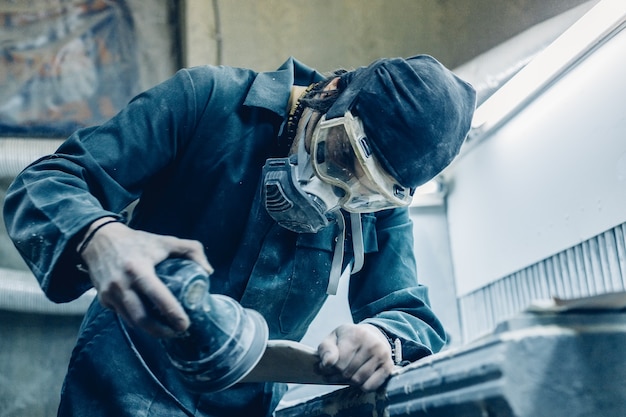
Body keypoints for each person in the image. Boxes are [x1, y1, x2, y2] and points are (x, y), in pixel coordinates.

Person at [3, 54, 475, 417]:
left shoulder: (376, 207)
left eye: (365, 196)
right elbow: (48, 180)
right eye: (341, 158)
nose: (335, 196)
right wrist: (98, 235)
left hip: (245, 406)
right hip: (118, 386)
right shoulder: (207, 100)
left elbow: (410, 313)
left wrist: (381, 337)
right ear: (332, 92)